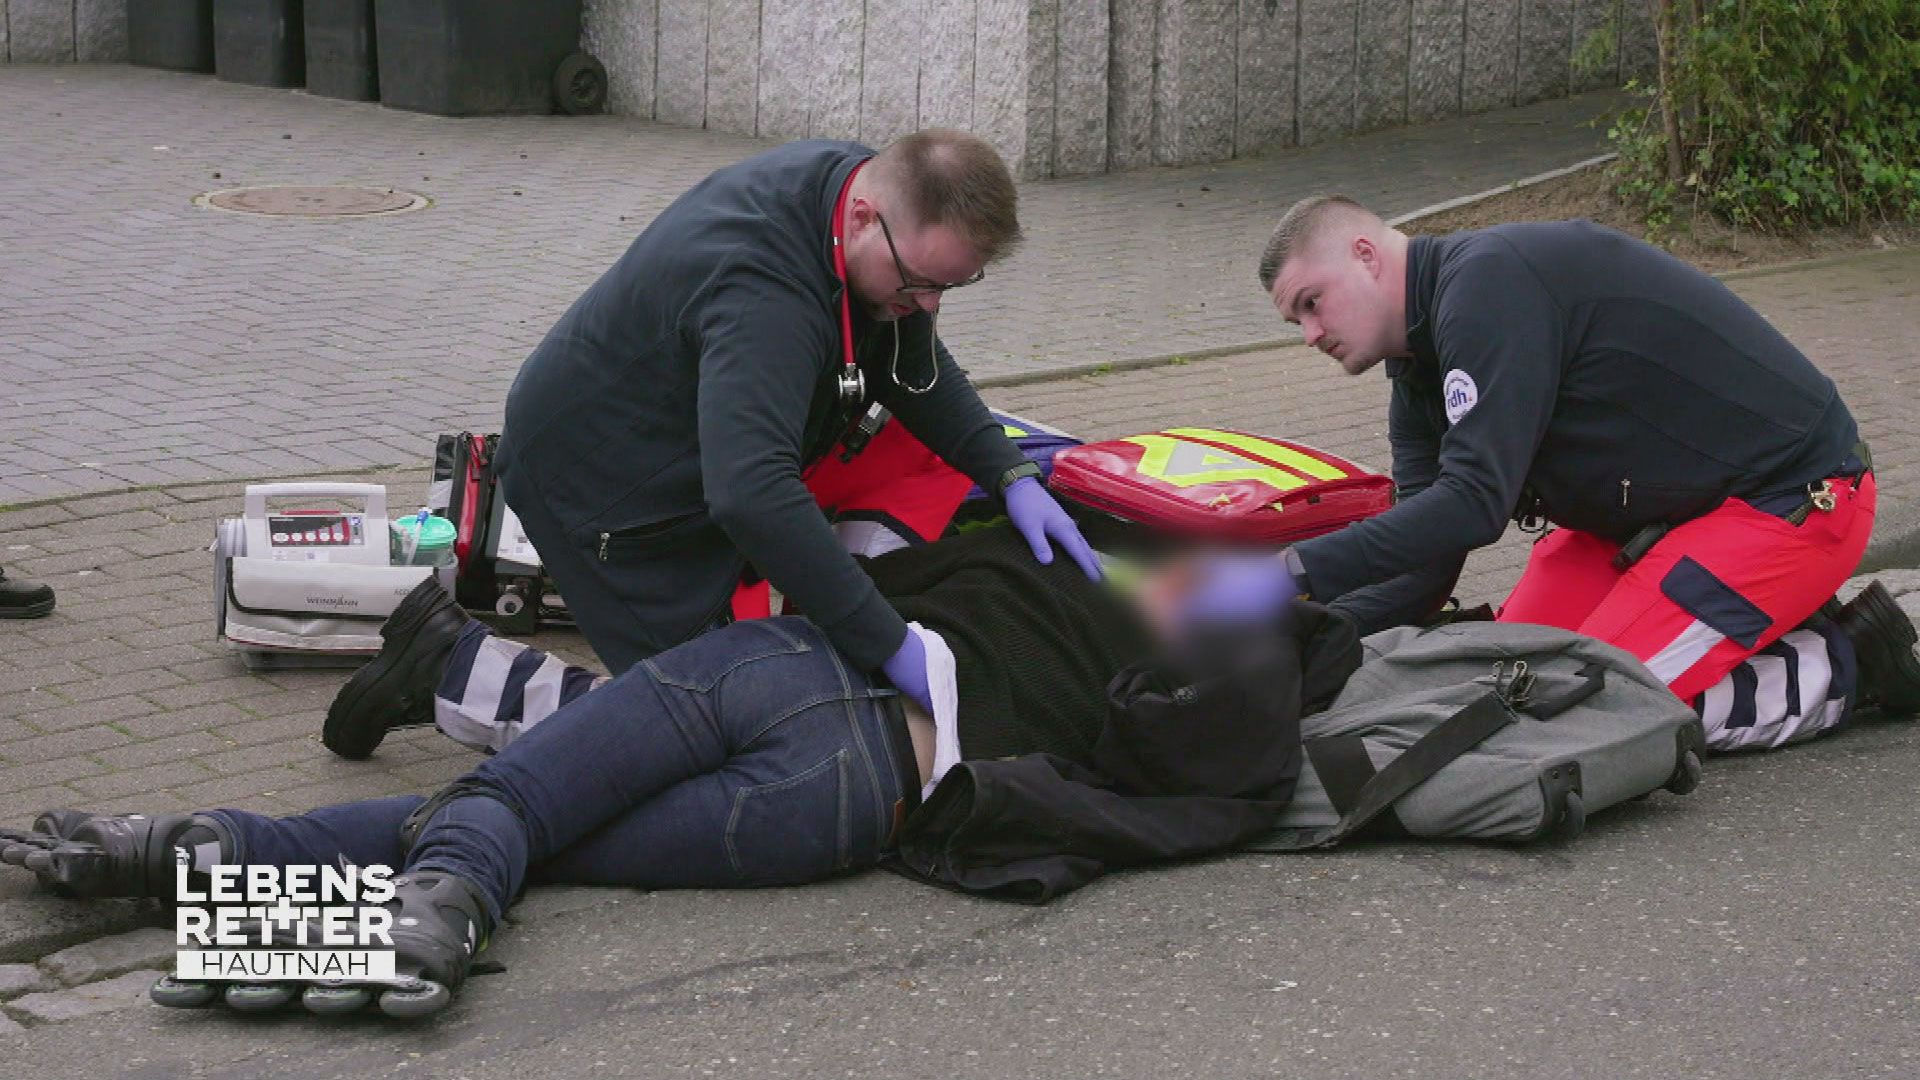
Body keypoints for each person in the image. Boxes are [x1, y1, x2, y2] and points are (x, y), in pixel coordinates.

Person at [1, 528, 1352, 1019]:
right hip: (854, 779)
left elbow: (869, 569)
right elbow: (1166, 807)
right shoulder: (1185, 708)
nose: (1186, 578)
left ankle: (196, 854)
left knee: (520, 804)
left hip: (793, 682)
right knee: (533, 824)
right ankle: (223, 876)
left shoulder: (1058, 568)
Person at [333, 129, 1102, 764]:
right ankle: (450, 666)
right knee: (704, 733)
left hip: (692, 449)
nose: (926, 306)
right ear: (865, 217)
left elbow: (914, 369)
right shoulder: (768, 292)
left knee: (755, 687)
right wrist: (883, 640)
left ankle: (795, 622)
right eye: (919, 284)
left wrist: (1007, 473)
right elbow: (751, 493)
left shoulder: (856, 205)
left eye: (947, 289)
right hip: (601, 497)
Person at [1249, 195, 1920, 749]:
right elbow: (1425, 563)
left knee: (1576, 705)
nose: (1310, 334)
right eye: (1294, 321)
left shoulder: (1486, 287)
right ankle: (1728, 628)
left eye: (1312, 303)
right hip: (1661, 518)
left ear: (1365, 256)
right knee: (1493, 678)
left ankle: (1851, 660)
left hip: (1791, 498)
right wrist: (1298, 637)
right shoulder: (1416, 377)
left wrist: (1287, 576)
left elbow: (1476, 504)